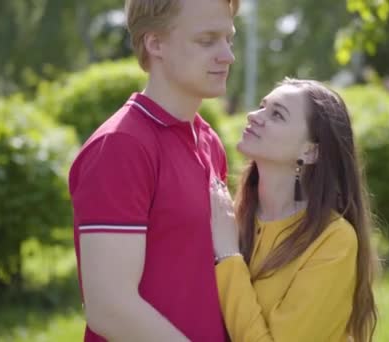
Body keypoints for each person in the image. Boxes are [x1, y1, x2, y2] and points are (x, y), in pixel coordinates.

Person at [67, 0, 239, 340]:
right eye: (207, 41)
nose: (227, 56)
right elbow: (110, 307)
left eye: (229, 39)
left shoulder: (208, 141)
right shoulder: (121, 147)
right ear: (155, 43)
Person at [209, 78, 380, 342]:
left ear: (310, 151)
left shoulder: (334, 240)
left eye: (277, 114)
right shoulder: (232, 217)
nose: (253, 116)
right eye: (262, 106)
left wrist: (228, 256)